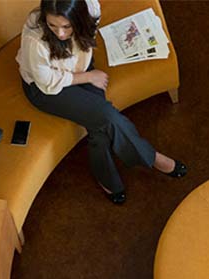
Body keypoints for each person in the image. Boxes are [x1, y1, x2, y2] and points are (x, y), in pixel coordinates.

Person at [17, 0, 187, 205]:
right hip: (47, 89)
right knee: (107, 116)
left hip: (80, 68)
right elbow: (48, 82)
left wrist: (87, 69)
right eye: (53, 26)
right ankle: (151, 157)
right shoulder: (36, 39)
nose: (60, 34)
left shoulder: (90, 9)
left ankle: (105, 176)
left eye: (66, 26)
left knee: (99, 126)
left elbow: (88, 35)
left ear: (79, 17)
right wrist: (89, 77)